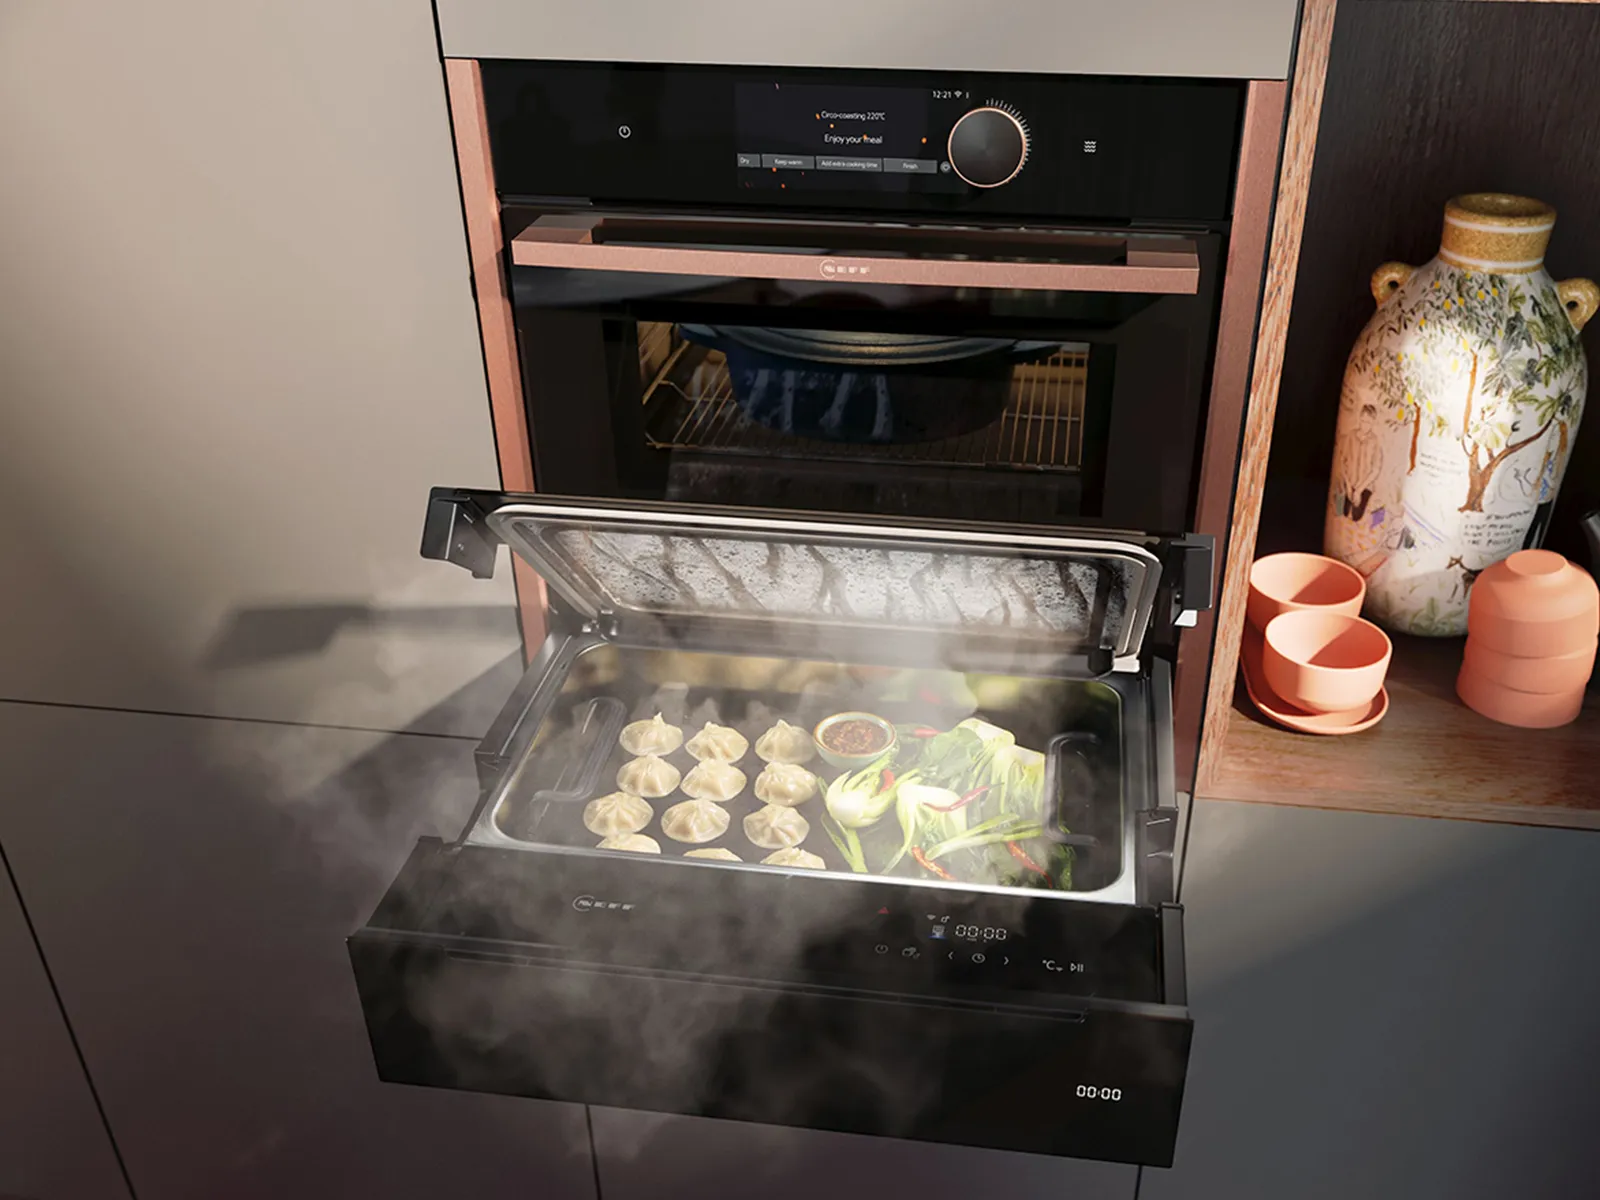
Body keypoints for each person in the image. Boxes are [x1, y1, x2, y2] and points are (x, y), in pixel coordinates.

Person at [1338, 403, 1383, 522]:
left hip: (1364, 486)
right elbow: (1342, 461)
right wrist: (1347, 485)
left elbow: (1375, 469)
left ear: (1373, 423)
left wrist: (1359, 490)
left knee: (1356, 517)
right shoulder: (1351, 436)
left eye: (1368, 422)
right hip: (1349, 482)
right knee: (1341, 511)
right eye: (1362, 420)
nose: (1364, 425)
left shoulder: (1375, 442)